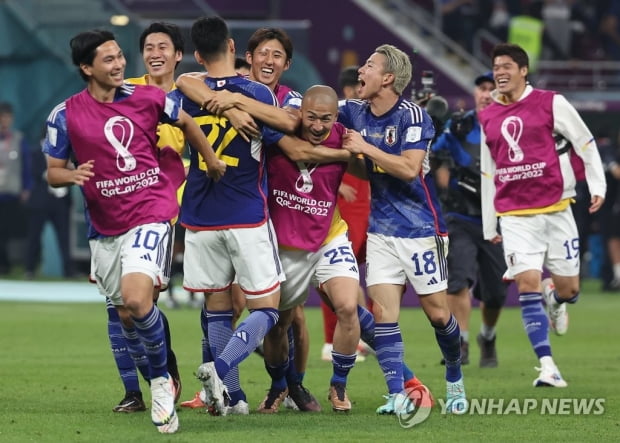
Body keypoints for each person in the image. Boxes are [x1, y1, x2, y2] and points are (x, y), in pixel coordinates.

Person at [43, 28, 225, 434]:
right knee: (125, 313)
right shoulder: (65, 114)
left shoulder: (148, 97)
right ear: (87, 68)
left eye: (120, 56)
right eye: (107, 59)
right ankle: (149, 378)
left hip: (151, 211)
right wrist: (71, 175)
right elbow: (52, 172)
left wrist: (209, 159)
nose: (119, 64)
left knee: (137, 299)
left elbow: (188, 122)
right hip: (105, 226)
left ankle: (162, 382)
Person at [177, 26, 321, 414]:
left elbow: (180, 88)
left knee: (218, 307)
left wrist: (215, 98)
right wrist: (236, 105)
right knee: (268, 309)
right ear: (231, 47)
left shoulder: (186, 89)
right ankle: (221, 369)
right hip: (245, 213)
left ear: (198, 54)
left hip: (200, 215)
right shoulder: (257, 92)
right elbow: (291, 124)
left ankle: (233, 397)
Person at [340, 44, 467, 415]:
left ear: (389, 78)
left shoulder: (413, 116)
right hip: (381, 229)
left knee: (438, 315)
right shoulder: (353, 111)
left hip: (422, 230)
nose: (360, 72)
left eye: (368, 65)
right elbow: (313, 109)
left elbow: (410, 168)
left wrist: (363, 148)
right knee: (383, 315)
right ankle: (398, 393)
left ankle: (455, 379)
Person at [479, 42, 606, 387]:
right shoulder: (487, 114)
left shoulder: (551, 102)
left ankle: (558, 298)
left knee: (569, 289)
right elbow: (488, 171)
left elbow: (585, 141)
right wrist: (490, 222)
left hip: (556, 209)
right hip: (515, 215)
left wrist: (598, 184)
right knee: (527, 283)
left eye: (507, 66)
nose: (500, 72)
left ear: (523, 71)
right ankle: (548, 366)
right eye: (496, 67)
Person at [101, 21, 185, 414]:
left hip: (161, 210)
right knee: (117, 304)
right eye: (149, 47)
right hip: (116, 209)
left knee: (143, 299)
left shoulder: (189, 97)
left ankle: (164, 372)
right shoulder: (124, 91)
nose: (155, 53)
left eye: (163, 46)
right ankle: (133, 390)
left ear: (177, 55)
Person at [431, 71, 508, 368]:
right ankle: (460, 342)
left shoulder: (511, 126)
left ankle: (487, 336)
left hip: (499, 220)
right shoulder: (459, 126)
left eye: (492, 88)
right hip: (461, 216)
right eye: (482, 88)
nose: (487, 93)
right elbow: (432, 155)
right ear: (475, 94)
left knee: (496, 293)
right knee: (457, 281)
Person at [321, 65, 373, 362]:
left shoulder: (370, 119)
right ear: (352, 90)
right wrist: (337, 187)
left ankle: (362, 335)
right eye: (361, 86)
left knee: (356, 278)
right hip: (345, 206)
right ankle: (332, 342)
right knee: (338, 275)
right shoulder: (336, 116)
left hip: (368, 205)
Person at [24, 130, 73, 280]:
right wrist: (61, 173)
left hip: (60, 200)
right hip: (41, 201)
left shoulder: (64, 151)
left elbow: (71, 170)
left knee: (64, 238)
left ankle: (69, 271)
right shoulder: (35, 152)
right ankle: (30, 269)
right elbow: (38, 173)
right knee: (34, 237)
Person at [0, 101, 32, 275]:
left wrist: (26, 188)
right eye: (2, 117)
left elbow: (26, 165)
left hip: (12, 193)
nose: (5, 121)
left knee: (12, 231)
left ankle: (11, 264)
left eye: (7, 117)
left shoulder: (18, 139)